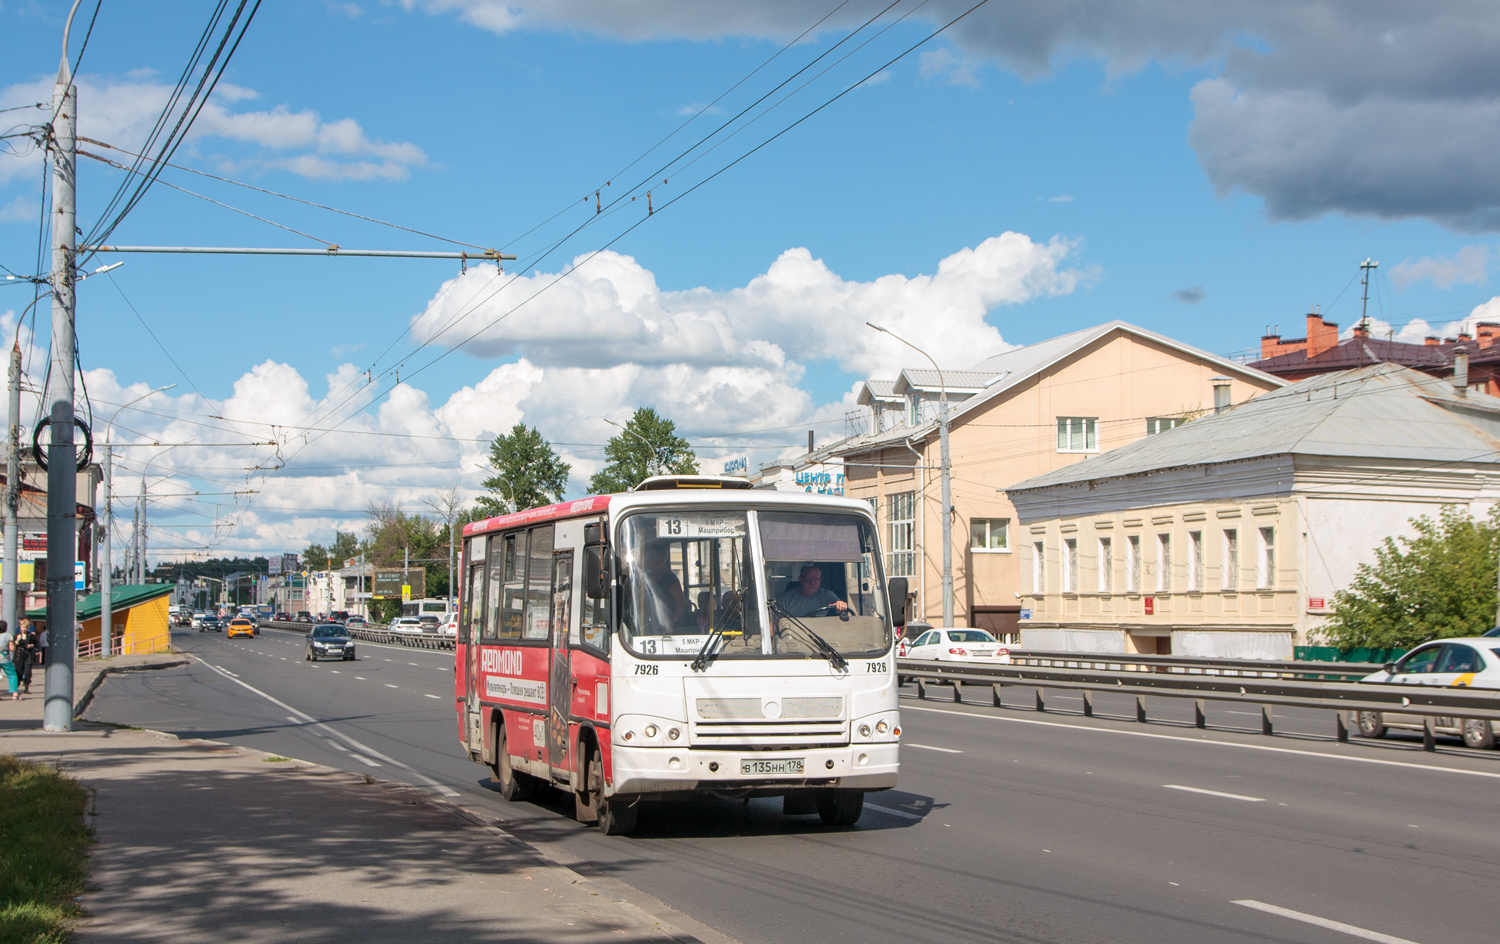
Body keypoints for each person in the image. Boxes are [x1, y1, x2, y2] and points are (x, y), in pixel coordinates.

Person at [640, 541, 690, 632]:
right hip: (650, 624)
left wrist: (670, 623)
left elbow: (681, 604)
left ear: (656, 558)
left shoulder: (669, 578)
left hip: (666, 627)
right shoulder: (648, 577)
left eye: (648, 556)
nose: (645, 560)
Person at [776, 564, 848, 619]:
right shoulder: (785, 600)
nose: (812, 583)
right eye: (808, 579)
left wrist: (840, 604)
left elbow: (838, 603)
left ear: (820, 580)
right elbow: (773, 625)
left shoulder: (826, 595)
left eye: (816, 579)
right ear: (800, 579)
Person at [14, 620, 37, 695]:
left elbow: (36, 644)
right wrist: (17, 640)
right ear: (20, 627)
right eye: (23, 627)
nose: (24, 629)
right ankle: (16, 688)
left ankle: (26, 687)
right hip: (19, 654)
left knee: (27, 672)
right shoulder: (17, 635)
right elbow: (14, 645)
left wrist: (31, 645)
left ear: (28, 628)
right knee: (18, 671)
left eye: (26, 627)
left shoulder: (31, 635)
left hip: (28, 654)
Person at [0, 620, 16, 700]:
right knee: (12, 675)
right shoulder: (8, 636)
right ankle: (14, 694)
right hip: (5, 659)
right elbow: (12, 648)